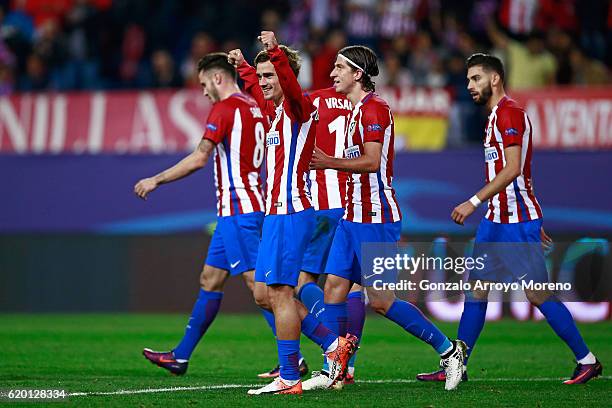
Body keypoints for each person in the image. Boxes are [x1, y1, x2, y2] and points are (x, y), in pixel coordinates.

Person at [416, 53, 603, 385]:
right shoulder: (494, 118)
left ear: (495, 79)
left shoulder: (510, 114)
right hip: (498, 220)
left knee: (536, 294)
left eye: (475, 78)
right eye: (468, 80)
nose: (470, 85)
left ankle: (587, 360)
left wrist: (474, 201)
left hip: (514, 221)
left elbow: (514, 168)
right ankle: (456, 366)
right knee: (476, 290)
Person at [308, 45, 466, 391]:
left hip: (375, 217)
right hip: (352, 216)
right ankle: (334, 367)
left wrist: (328, 161)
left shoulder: (374, 109)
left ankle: (449, 351)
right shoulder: (354, 112)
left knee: (380, 300)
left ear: (358, 74)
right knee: (333, 289)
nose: (332, 74)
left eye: (338, 68)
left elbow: (371, 162)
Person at [230, 31, 357, 396]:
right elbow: (258, 90)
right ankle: (333, 345)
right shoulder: (274, 114)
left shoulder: (301, 108)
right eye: (263, 76)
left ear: (286, 76)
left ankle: (289, 376)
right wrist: (243, 67)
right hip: (275, 215)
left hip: (292, 211)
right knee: (262, 295)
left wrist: (274, 52)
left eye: (271, 75)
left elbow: (287, 82)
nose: (265, 82)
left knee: (282, 293)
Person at [134, 52, 271, 376]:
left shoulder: (225, 108)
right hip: (236, 210)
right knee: (210, 278)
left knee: (260, 288)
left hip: (240, 209)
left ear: (218, 78)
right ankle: (181, 356)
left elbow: (199, 158)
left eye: (204, 83)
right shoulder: (254, 106)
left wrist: (156, 179)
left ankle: (312, 351)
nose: (204, 91)